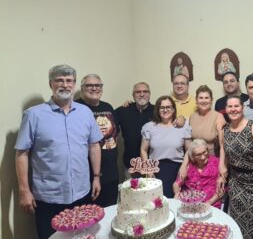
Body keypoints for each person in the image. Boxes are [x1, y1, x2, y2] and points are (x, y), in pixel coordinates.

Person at [15, 64, 103, 239]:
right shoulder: (34, 115)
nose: (65, 85)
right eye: (59, 80)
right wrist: (24, 190)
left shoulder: (85, 112)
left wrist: (96, 177)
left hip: (82, 193)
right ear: (51, 84)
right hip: (49, 197)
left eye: (69, 81)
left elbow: (94, 146)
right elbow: (21, 154)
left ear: (74, 84)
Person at [218, 96, 253, 238]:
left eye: (236, 106)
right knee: (238, 223)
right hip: (236, 183)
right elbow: (223, 149)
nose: (233, 109)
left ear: (242, 107)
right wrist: (221, 167)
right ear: (226, 109)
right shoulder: (225, 129)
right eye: (230, 107)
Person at [75, 74, 119, 207]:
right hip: (89, 176)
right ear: (82, 88)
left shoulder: (108, 107)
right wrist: (95, 176)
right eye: (89, 85)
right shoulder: (76, 108)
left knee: (110, 211)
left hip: (111, 173)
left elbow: (115, 132)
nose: (94, 88)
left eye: (98, 85)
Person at [140, 95, 192, 198]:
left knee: (177, 202)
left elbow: (189, 150)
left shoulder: (183, 126)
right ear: (158, 110)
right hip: (156, 170)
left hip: (177, 170)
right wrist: (148, 171)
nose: (165, 110)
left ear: (173, 109)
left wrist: (183, 167)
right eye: (162, 107)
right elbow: (143, 150)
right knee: (157, 202)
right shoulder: (149, 127)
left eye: (168, 107)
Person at [116, 82, 154, 177]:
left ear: (149, 94)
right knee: (131, 191)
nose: (142, 94)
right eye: (138, 92)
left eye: (145, 91)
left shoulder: (157, 111)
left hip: (153, 165)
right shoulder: (123, 111)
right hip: (131, 165)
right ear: (133, 95)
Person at [173, 139, 224, 208]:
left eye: (204, 152)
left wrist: (208, 203)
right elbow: (176, 184)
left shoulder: (217, 163)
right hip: (190, 204)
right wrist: (177, 193)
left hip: (211, 204)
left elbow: (222, 190)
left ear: (207, 150)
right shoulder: (187, 167)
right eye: (198, 155)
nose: (203, 157)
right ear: (193, 157)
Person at [189, 85, 225, 156]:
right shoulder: (192, 116)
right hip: (195, 159)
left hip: (211, 159)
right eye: (201, 98)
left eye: (206, 98)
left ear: (211, 100)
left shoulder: (218, 117)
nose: (204, 101)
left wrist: (222, 164)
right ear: (196, 100)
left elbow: (223, 145)